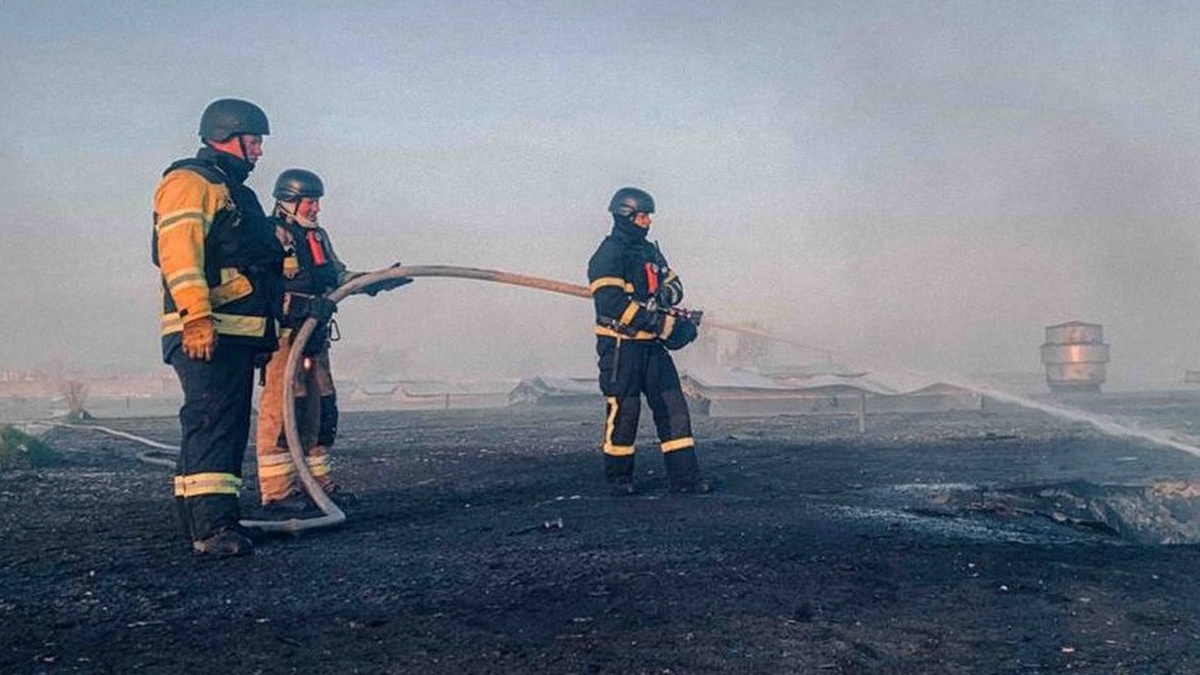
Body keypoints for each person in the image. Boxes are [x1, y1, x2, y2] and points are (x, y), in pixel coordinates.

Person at [152, 98, 285, 557]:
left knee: (221, 426)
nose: (260, 152)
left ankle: (210, 521)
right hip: (208, 330)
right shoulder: (191, 182)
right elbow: (180, 255)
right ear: (229, 136)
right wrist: (198, 317)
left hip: (235, 332)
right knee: (212, 423)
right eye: (255, 141)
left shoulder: (233, 191)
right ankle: (211, 530)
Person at [254, 168, 412, 514]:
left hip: (315, 339)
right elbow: (262, 288)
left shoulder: (317, 238)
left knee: (321, 408)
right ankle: (278, 491)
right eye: (310, 202)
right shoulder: (269, 235)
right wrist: (304, 306)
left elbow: (337, 276)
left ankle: (318, 485)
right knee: (283, 410)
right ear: (288, 201)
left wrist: (378, 279)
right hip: (284, 340)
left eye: (317, 202)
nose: (316, 209)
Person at [586, 187, 711, 495]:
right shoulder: (607, 255)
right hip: (621, 347)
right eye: (642, 216)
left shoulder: (651, 252)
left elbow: (674, 284)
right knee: (625, 411)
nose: (648, 222)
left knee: (673, 408)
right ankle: (619, 480)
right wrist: (661, 323)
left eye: (649, 216)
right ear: (625, 216)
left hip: (652, 347)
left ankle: (685, 479)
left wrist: (667, 303)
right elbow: (611, 304)